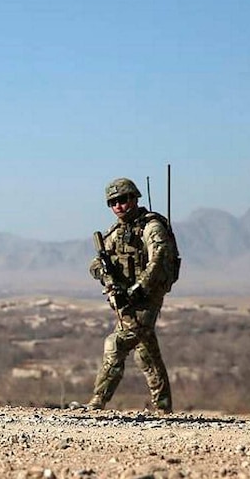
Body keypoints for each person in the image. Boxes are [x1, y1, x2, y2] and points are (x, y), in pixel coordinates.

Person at [86, 177, 180, 414]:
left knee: (116, 344)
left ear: (135, 198)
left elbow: (159, 259)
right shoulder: (115, 233)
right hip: (126, 300)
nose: (119, 205)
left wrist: (137, 288)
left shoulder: (151, 226)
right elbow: (96, 265)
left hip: (146, 299)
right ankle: (163, 407)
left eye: (123, 199)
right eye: (113, 202)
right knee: (146, 353)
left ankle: (97, 403)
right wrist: (109, 279)